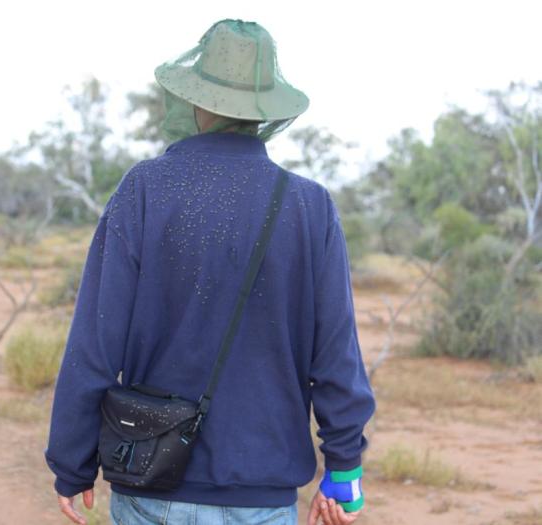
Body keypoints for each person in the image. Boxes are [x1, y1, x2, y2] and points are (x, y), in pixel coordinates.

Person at [45, 18, 375, 525]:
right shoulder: (310, 207)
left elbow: (95, 338)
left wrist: (72, 462)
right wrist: (344, 469)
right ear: (264, 110)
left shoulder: (144, 189)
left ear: (196, 100)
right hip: (261, 495)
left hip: (150, 483)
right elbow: (335, 353)